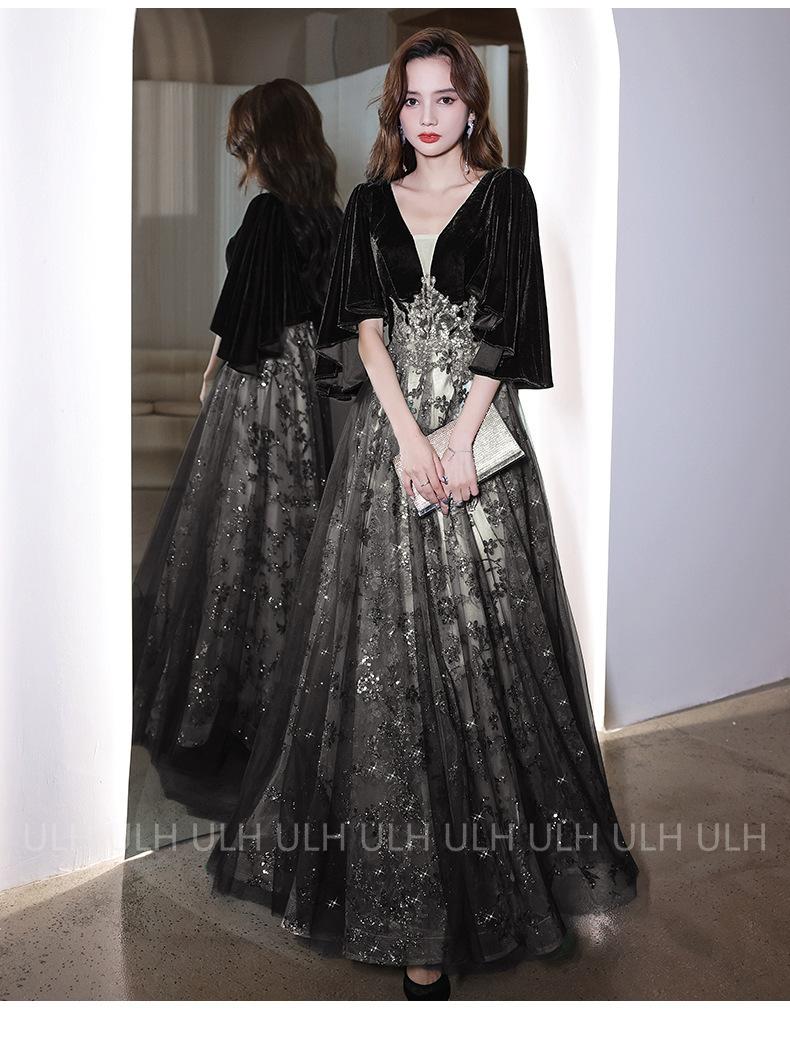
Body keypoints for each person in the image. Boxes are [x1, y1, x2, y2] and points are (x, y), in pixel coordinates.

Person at [206, 30, 639, 1000]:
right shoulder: (370, 203)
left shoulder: (507, 197)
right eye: (413, 99)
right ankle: (414, 916)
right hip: (390, 446)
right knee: (388, 665)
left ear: (471, 105)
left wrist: (456, 439)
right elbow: (365, 330)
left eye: (446, 97)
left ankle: (500, 876)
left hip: (477, 445)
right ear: (395, 111)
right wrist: (408, 439)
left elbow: (507, 326)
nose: (429, 115)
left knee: (489, 648)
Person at [132, 80, 343, 822]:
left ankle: (233, 708)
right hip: (308, 387)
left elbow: (239, 311)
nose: (240, 154)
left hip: (260, 385)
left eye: (245, 140)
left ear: (266, 141)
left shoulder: (268, 213)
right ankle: (291, 702)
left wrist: (211, 370)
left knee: (239, 532)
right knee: (292, 529)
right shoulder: (330, 215)